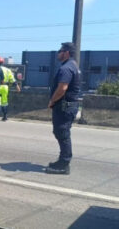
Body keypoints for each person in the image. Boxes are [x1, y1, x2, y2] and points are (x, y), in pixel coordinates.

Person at [46, 42, 80, 175]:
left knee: (62, 133)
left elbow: (62, 88)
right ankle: (62, 161)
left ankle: (64, 164)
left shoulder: (66, 68)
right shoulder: (73, 65)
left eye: (60, 51)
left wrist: (52, 101)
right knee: (61, 132)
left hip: (64, 106)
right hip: (69, 106)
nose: (58, 53)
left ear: (66, 53)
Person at [0, 56, 21, 121]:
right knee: (4, 102)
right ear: (3, 62)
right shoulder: (7, 70)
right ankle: (5, 117)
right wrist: (17, 86)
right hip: (5, 87)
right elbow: (12, 79)